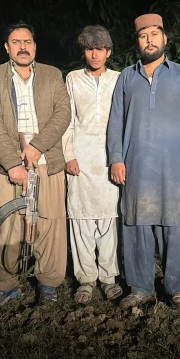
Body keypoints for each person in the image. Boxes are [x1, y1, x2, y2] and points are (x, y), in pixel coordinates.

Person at [108, 13, 180, 309]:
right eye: (143, 35)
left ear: (164, 38)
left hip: (174, 164)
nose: (149, 40)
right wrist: (115, 158)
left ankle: (177, 288)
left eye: (154, 34)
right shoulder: (127, 77)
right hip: (135, 163)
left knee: (176, 224)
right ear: (137, 41)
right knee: (136, 223)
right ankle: (140, 287)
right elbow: (115, 121)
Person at [0, 21, 71, 309]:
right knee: (8, 224)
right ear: (7, 47)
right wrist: (12, 163)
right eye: (16, 42)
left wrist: (37, 146)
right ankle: (6, 284)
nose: (23, 47)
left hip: (47, 159)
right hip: (11, 164)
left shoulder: (52, 74)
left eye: (28, 41)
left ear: (35, 46)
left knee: (51, 222)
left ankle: (49, 282)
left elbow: (63, 113)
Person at [62, 25, 122, 304]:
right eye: (89, 49)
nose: (95, 54)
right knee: (81, 219)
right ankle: (86, 279)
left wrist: (120, 158)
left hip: (109, 158)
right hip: (81, 157)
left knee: (108, 219)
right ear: (84, 51)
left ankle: (109, 278)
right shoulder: (73, 78)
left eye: (100, 49)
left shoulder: (119, 79)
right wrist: (69, 155)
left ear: (108, 52)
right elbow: (67, 120)